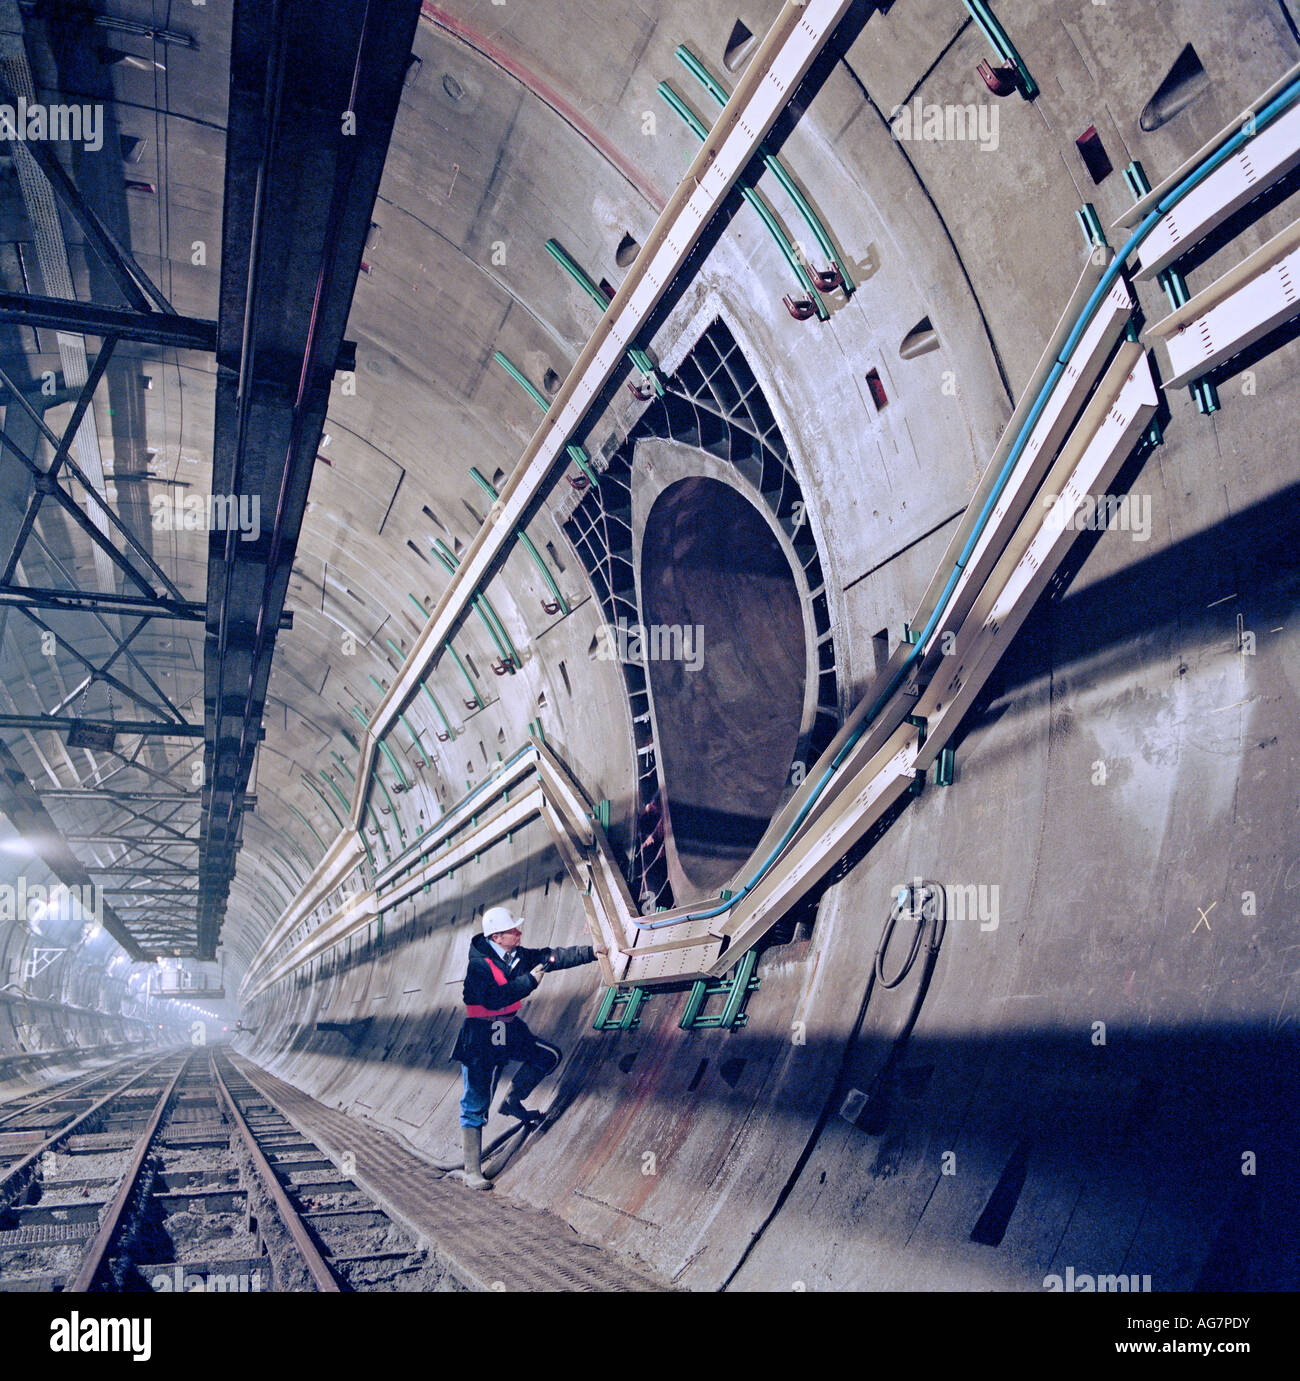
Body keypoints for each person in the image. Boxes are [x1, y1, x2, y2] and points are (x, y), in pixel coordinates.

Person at [451, 906, 606, 1190]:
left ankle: (513, 1100)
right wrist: (528, 982)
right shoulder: (478, 966)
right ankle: (472, 1170)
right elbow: (493, 999)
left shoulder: (518, 955)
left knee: (547, 1057)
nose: (519, 932)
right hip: (481, 1035)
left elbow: (553, 956)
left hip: (508, 1029)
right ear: (497, 937)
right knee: (476, 1100)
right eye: (513, 930)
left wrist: (592, 952)